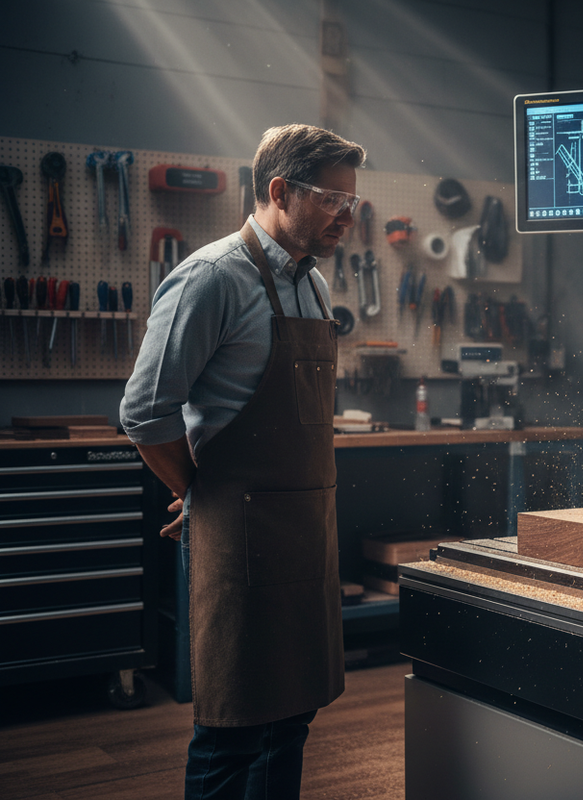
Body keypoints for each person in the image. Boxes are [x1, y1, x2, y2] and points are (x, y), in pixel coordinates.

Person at [121, 124, 366, 799]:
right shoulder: (210, 277)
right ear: (280, 190)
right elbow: (144, 413)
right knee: (233, 729)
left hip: (306, 534)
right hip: (242, 539)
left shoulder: (312, 287)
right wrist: (195, 490)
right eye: (332, 200)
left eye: (354, 202)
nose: (348, 216)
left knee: (292, 719)